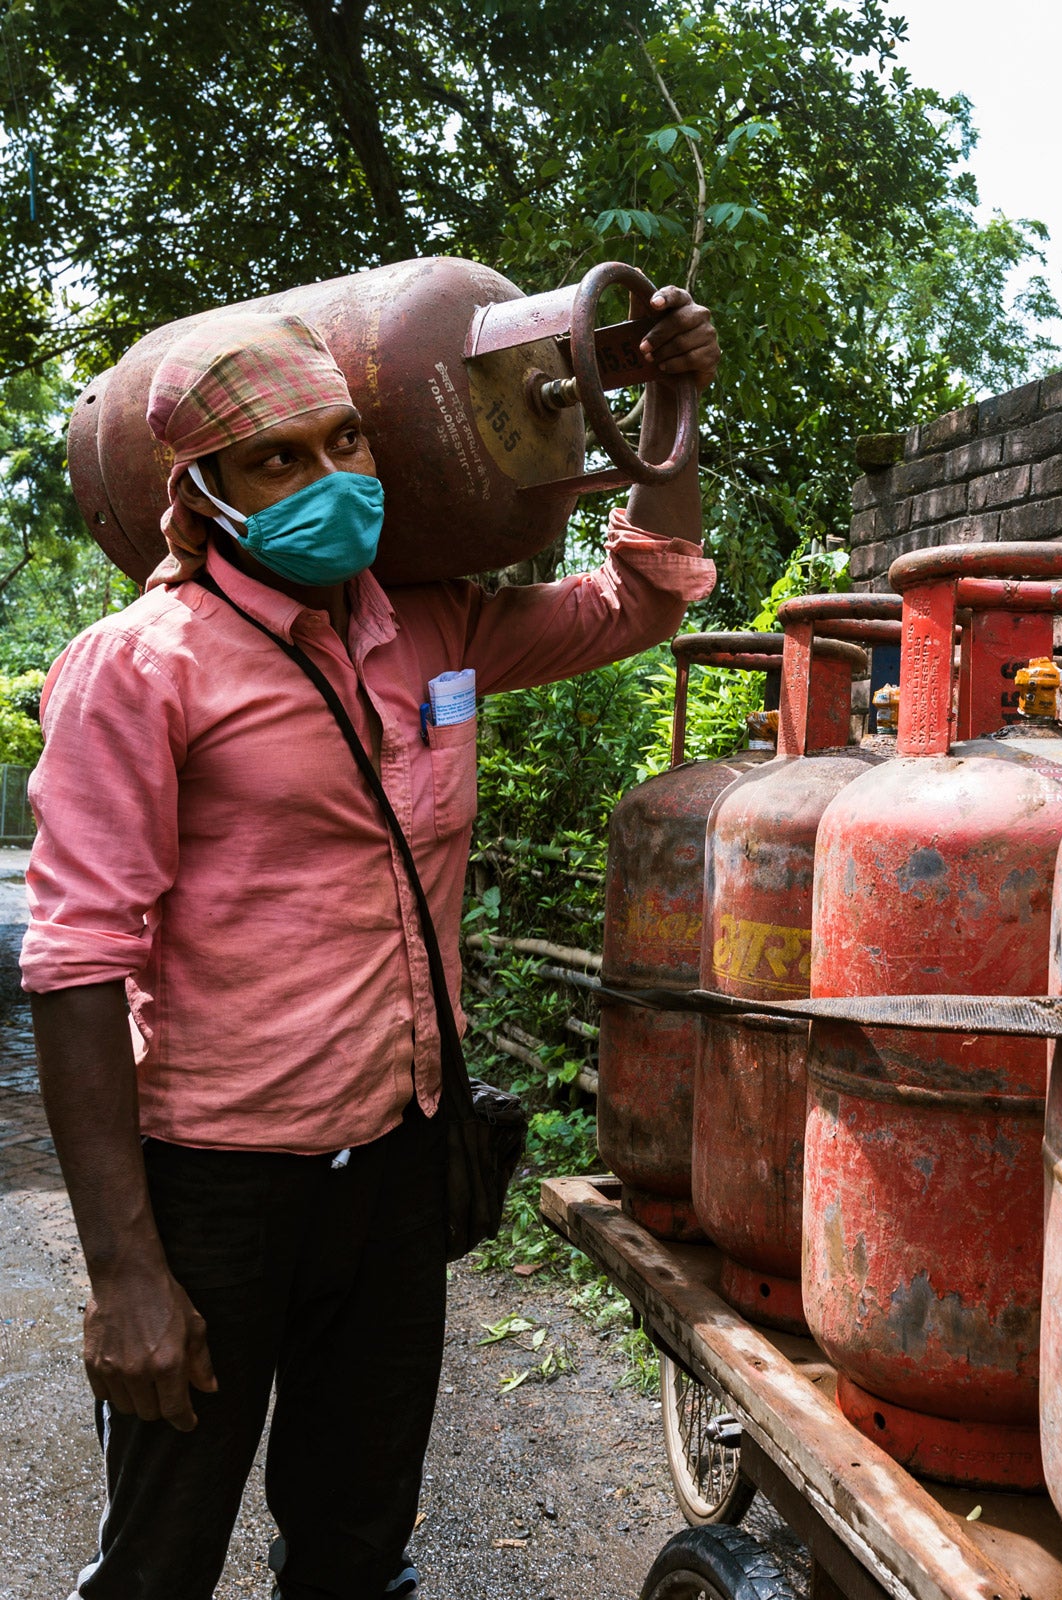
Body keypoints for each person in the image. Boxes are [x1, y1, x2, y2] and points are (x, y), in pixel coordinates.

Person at [21, 287, 720, 1600]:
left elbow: (642, 600)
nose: (330, 479)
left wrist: (668, 410)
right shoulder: (141, 667)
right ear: (207, 492)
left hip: (395, 1170)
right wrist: (125, 1275)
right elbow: (73, 964)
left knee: (354, 1548)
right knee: (159, 1560)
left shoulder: (436, 628)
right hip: (216, 1188)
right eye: (280, 459)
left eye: (347, 443)